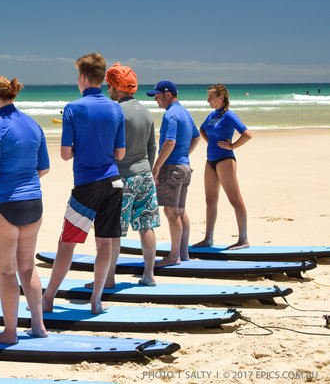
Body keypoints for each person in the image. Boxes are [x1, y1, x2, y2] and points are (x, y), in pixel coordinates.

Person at [42, 52, 125, 315]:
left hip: (87, 185)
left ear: (82, 78)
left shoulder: (73, 108)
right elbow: (120, 153)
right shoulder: (116, 108)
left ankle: (48, 298)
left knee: (67, 243)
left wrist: (83, 148)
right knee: (104, 243)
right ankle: (96, 301)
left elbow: (65, 154)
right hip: (113, 183)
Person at [0, 76, 50, 344]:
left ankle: (9, 332)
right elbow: (43, 168)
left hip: (3, 205)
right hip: (33, 204)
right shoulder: (34, 125)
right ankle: (38, 326)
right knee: (27, 267)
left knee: (5, 272)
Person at [104, 63, 160, 286]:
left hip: (123, 177)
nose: (108, 90)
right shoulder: (146, 111)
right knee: (146, 225)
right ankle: (149, 275)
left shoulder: (116, 111)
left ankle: (109, 278)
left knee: (114, 230)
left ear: (116, 87)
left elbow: (109, 147)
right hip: (144, 174)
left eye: (109, 86)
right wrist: (147, 169)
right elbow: (152, 146)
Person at [147, 81, 200, 266]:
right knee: (180, 211)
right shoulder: (184, 112)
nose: (156, 100)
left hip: (172, 168)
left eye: (157, 96)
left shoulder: (170, 114)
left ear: (168, 95)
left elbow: (170, 142)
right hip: (184, 167)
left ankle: (174, 256)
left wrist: (156, 167)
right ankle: (183, 254)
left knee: (171, 212)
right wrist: (184, 155)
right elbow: (196, 137)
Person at [193, 84, 252, 250]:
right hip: (210, 160)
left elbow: (247, 135)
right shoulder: (212, 115)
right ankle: (208, 238)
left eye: (211, 97)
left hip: (225, 160)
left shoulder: (229, 115)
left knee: (235, 200)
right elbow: (202, 129)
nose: (208, 100)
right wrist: (211, 143)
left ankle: (243, 239)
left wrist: (232, 146)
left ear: (221, 97)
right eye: (207, 97)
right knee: (210, 200)